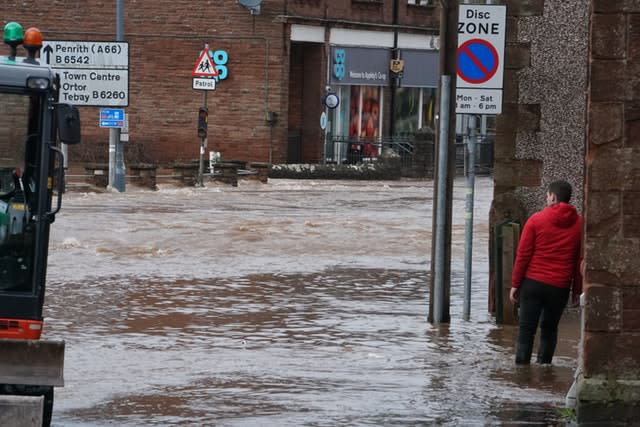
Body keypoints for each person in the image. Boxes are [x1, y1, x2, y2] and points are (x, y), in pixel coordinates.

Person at [509, 180, 583, 365]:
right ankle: (544, 370)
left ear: (552, 196)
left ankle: (521, 371)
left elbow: (523, 255)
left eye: (547, 196)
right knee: (550, 329)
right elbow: (578, 260)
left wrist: (515, 284)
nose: (546, 199)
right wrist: (576, 290)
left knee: (526, 329)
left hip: (533, 283)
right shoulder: (580, 224)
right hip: (559, 286)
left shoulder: (536, 219)